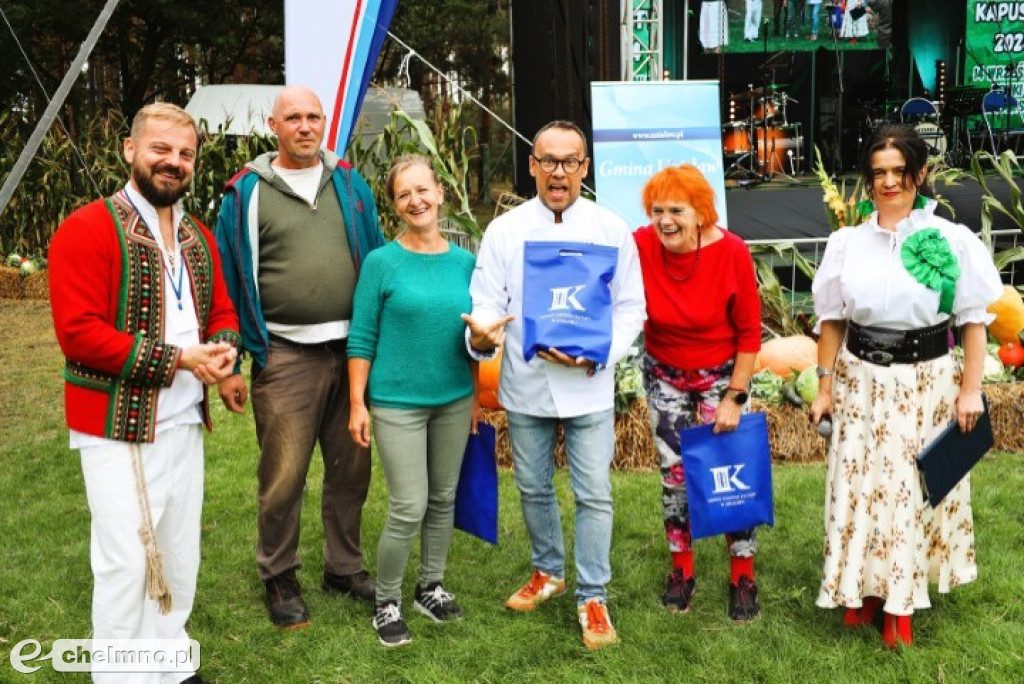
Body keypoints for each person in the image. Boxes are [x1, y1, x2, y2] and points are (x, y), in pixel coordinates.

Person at [48, 102, 239, 684]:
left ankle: (172, 662)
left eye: (185, 154)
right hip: (115, 423)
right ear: (130, 150)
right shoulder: (87, 227)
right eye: (160, 149)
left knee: (179, 554)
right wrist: (180, 358)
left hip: (181, 420)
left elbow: (221, 309)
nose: (173, 163)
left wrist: (225, 359)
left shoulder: (195, 234)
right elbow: (78, 334)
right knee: (127, 561)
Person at [809, 123, 1003, 648]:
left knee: (907, 492)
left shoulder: (951, 240)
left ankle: (900, 605)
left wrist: (969, 390)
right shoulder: (846, 243)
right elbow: (831, 320)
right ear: (868, 181)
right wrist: (824, 386)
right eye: (878, 174)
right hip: (860, 382)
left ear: (919, 175)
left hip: (926, 384)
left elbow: (973, 321)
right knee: (861, 489)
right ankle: (863, 591)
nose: (888, 183)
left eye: (899, 172)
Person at [463, 120, 646, 650]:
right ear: (532, 166)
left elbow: (633, 306)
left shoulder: (611, 229)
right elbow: (487, 298)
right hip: (528, 380)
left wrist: (600, 349)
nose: (558, 171)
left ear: (585, 168)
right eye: (548, 161)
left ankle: (593, 594)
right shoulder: (506, 230)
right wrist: (483, 328)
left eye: (570, 161)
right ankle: (548, 569)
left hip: (589, 381)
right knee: (534, 486)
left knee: (594, 492)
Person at [215, 85, 385, 629]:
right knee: (284, 473)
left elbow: (380, 263)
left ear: (324, 123)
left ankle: (343, 566)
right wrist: (231, 360)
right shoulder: (245, 195)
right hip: (285, 354)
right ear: (274, 125)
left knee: (351, 468)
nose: (306, 126)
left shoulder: (352, 186)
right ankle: (279, 573)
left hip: (353, 353)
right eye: (294, 118)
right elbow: (224, 279)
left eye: (314, 116)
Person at [347, 155, 478, 647]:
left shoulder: (466, 262)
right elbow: (361, 337)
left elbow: (475, 337)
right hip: (396, 401)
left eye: (423, 190)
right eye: (404, 194)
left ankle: (431, 586)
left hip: (454, 397)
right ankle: (387, 601)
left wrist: (476, 400)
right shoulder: (381, 263)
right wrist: (358, 404)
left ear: (440, 193)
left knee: (443, 498)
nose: (416, 201)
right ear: (395, 205)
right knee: (409, 504)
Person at [633, 164, 763, 623]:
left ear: (701, 213)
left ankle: (742, 575)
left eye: (676, 210)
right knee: (673, 476)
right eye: (657, 210)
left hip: (721, 376)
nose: (665, 220)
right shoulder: (640, 245)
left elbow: (749, 333)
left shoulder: (731, 252)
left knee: (729, 475)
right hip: (665, 374)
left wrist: (735, 397)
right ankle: (681, 571)